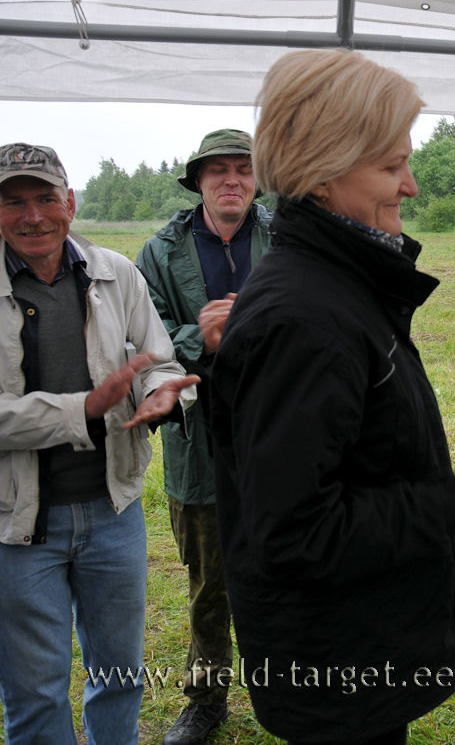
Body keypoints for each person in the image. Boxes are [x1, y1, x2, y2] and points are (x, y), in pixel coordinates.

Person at [208, 48, 455, 745]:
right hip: (334, 666)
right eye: (388, 165)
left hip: (354, 641)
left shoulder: (336, 284)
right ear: (321, 170)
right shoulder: (305, 317)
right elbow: (295, 534)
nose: (409, 185)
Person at [0, 143, 199, 744]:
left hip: (114, 513)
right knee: (34, 691)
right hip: (17, 526)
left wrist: (163, 394)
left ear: (71, 204)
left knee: (118, 675)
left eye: (46, 198)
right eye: (14, 202)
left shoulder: (117, 274)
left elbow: (157, 361)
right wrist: (81, 409)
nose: (33, 216)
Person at [135, 128, 272, 745]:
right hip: (197, 438)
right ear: (198, 182)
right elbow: (145, 335)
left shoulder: (288, 238)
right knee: (209, 580)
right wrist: (203, 338)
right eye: (217, 171)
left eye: (243, 169)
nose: (231, 181)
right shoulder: (160, 252)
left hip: (279, 432)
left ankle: (293, 688)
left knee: (286, 568)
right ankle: (205, 699)